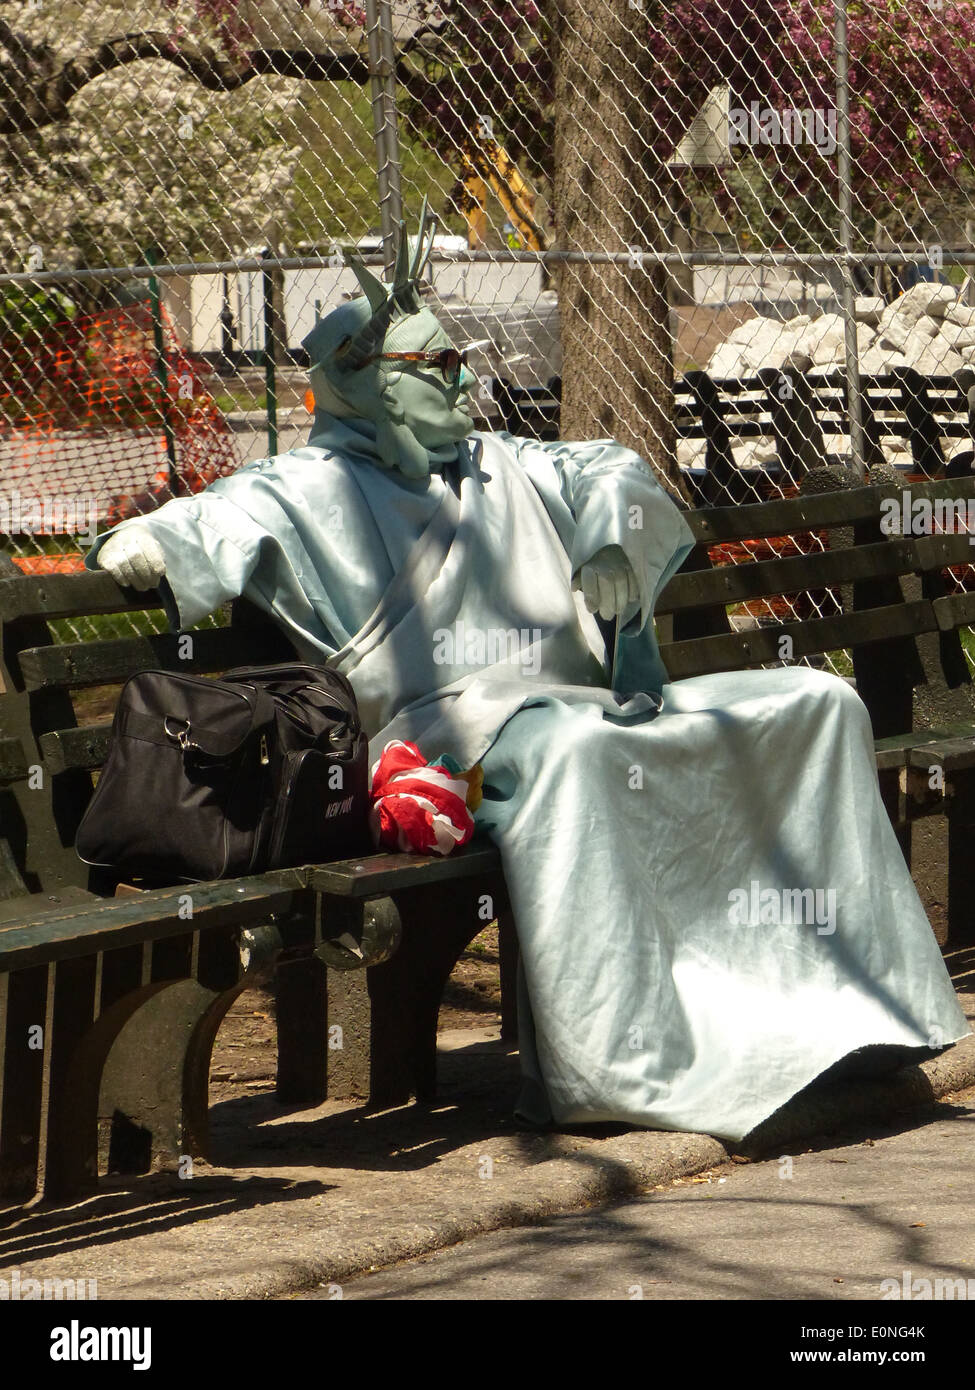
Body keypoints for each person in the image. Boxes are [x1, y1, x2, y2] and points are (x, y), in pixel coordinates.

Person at [89, 206, 967, 1142]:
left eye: (460, 359)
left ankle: (856, 1013)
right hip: (443, 746)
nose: (469, 377)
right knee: (576, 751)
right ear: (365, 386)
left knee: (816, 700)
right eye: (440, 366)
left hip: (580, 708)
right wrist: (146, 539)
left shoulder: (504, 461)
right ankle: (625, 1059)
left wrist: (611, 536)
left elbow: (607, 469)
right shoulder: (308, 487)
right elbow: (209, 519)